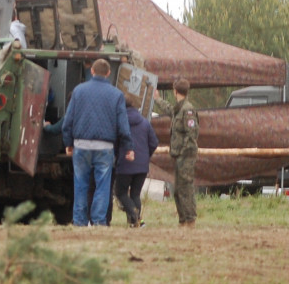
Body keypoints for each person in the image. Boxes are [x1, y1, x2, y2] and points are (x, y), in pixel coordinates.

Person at [61, 58, 134, 226]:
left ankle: (79, 222)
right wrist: (128, 147)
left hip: (81, 145)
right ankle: (99, 221)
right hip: (105, 147)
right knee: (102, 185)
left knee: (80, 185)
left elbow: (67, 122)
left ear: (92, 71)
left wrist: (68, 143)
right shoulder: (116, 95)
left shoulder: (78, 91)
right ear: (108, 74)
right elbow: (123, 126)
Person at [158, 78, 199, 227]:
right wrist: (157, 99)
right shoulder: (179, 108)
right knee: (178, 190)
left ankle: (190, 220)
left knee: (185, 188)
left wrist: (182, 152)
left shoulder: (187, 110)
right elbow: (170, 110)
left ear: (175, 91)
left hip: (186, 155)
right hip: (179, 155)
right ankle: (183, 220)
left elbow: (191, 134)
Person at [114, 95, 158, 228]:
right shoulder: (145, 122)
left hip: (125, 163)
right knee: (135, 194)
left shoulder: (119, 122)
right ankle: (135, 223)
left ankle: (135, 215)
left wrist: (116, 156)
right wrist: (145, 156)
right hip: (142, 166)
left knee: (120, 192)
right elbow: (154, 142)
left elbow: (116, 143)